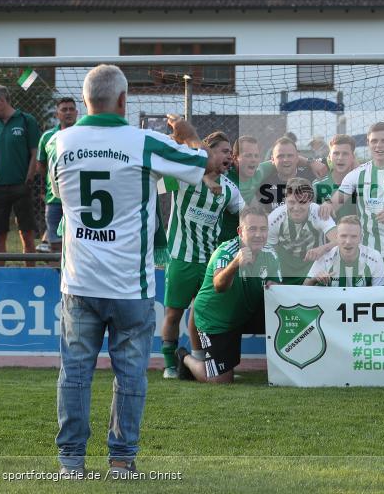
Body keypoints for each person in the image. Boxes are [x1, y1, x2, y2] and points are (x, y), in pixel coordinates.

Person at [50, 64, 221, 476]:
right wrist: (187, 134)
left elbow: (58, 193)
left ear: (86, 100)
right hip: (130, 284)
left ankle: (71, 463)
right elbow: (203, 164)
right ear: (123, 100)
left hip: (79, 281)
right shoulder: (144, 142)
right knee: (129, 377)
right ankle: (122, 462)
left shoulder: (59, 141)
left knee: (74, 374)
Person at [160, 131, 243, 380]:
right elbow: (158, 181)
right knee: (173, 313)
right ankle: (169, 364)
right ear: (209, 152)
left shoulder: (229, 188)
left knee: (201, 312)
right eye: (224, 151)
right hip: (180, 257)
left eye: (230, 152)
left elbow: (246, 215)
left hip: (209, 261)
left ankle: (199, 360)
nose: (229, 156)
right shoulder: (186, 177)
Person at [177, 206, 281, 383]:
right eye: (252, 229)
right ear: (240, 231)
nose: (258, 234)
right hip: (217, 319)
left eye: (263, 229)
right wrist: (235, 264)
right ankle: (184, 358)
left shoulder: (270, 253)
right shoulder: (225, 252)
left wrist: (275, 287)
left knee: (283, 314)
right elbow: (219, 286)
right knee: (220, 381)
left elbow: (278, 288)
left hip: (245, 312)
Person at [319, 122, 384, 265]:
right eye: (374, 141)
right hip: (367, 256)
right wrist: (328, 205)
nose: (379, 145)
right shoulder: (356, 175)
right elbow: (334, 204)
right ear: (368, 143)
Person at [0, 85, 41, 267]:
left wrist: (29, 178)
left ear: (2, 101)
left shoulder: (26, 120)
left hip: (20, 185)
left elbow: (34, 152)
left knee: (27, 234)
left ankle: (30, 276)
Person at [267, 178, 338, 284]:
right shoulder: (275, 217)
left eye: (302, 202)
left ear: (310, 201)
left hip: (313, 270)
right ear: (285, 199)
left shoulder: (318, 213)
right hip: (285, 271)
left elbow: (340, 240)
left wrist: (323, 248)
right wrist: (272, 276)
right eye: (291, 202)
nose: (296, 208)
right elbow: (269, 251)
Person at [37, 98, 78, 258]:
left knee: (78, 244)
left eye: (70, 109)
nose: (68, 112)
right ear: (57, 114)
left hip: (78, 200)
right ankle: (57, 281)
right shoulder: (48, 137)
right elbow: (41, 166)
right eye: (64, 109)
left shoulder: (84, 134)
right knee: (55, 246)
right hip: (54, 200)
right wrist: (46, 186)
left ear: (76, 112)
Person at [305, 216, 384, 286]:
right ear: (336, 237)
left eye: (354, 236)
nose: (348, 241)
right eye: (343, 236)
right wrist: (314, 280)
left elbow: (381, 292)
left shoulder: (375, 257)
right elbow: (303, 287)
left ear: (360, 238)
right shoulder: (325, 256)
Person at [255, 137, 318, 210]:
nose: (285, 160)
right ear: (272, 159)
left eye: (290, 155)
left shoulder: (312, 177)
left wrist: (311, 162)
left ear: (297, 157)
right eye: (280, 156)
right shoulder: (263, 183)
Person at [219, 136, 261, 242]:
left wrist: (308, 162)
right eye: (248, 155)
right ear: (235, 158)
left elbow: (280, 160)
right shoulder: (224, 178)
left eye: (256, 156)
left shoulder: (260, 172)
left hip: (245, 240)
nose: (253, 160)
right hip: (221, 243)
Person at [312, 134, 358, 218]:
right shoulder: (317, 184)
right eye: (336, 153)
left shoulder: (361, 182)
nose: (340, 158)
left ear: (353, 157)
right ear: (329, 157)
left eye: (345, 154)